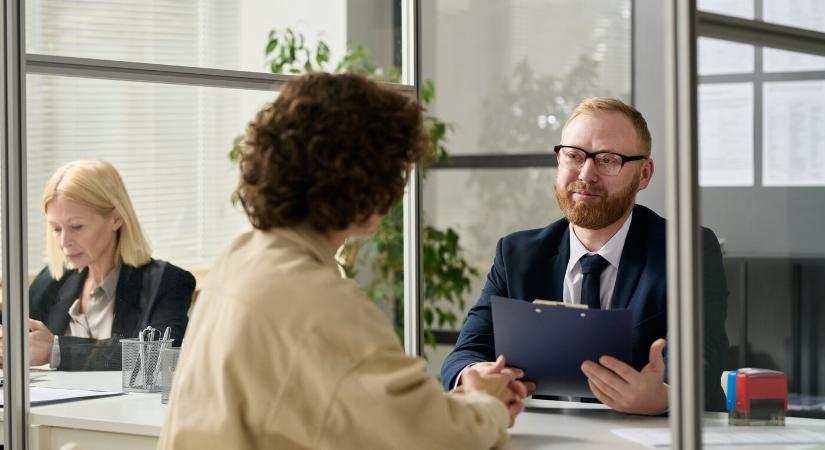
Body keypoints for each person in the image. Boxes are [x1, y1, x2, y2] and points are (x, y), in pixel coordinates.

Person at [158, 73, 528, 450]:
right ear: (363, 180)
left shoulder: (238, 259)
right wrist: (488, 404)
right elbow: (429, 439)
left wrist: (468, 403)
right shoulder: (319, 299)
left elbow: (375, 418)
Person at [440, 97, 729, 414]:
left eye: (607, 160)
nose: (586, 174)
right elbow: (466, 352)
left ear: (644, 174)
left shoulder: (687, 250)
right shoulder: (517, 255)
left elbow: (701, 357)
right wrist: (473, 376)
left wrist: (664, 396)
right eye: (574, 155)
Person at [4, 160, 196, 371]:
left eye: (76, 227)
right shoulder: (51, 280)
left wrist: (56, 349)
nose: (63, 241)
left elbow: (154, 358)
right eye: (56, 229)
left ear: (115, 219)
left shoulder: (168, 282)